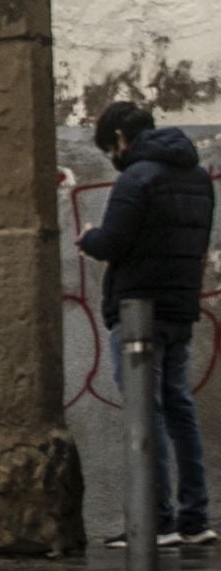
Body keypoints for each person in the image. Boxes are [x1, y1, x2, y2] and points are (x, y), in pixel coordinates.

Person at [79, 102, 217, 548]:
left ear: (121, 138)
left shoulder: (136, 179)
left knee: (146, 411)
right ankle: (195, 519)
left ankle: (157, 521)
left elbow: (114, 242)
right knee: (179, 408)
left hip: (139, 312)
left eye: (110, 148)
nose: (112, 157)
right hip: (180, 307)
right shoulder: (197, 177)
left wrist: (88, 239)